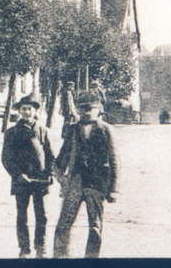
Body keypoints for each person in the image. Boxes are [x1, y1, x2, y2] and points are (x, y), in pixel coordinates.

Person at [53, 91, 119, 258]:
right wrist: (58, 174)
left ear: (98, 109)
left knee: (95, 226)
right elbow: (64, 155)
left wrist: (114, 189)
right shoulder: (72, 129)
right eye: (82, 109)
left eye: (90, 109)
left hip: (96, 184)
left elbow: (114, 162)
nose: (86, 112)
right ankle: (60, 257)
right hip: (75, 182)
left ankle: (91, 258)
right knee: (63, 224)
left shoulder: (106, 130)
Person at [2, 94, 55, 259]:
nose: (26, 112)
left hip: (39, 180)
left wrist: (50, 173)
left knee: (42, 216)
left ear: (35, 111)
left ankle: (41, 247)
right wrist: (17, 174)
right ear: (19, 111)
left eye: (29, 109)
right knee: (22, 216)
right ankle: (24, 248)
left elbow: (50, 155)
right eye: (23, 109)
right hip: (21, 180)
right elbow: (6, 158)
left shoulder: (43, 131)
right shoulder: (12, 132)